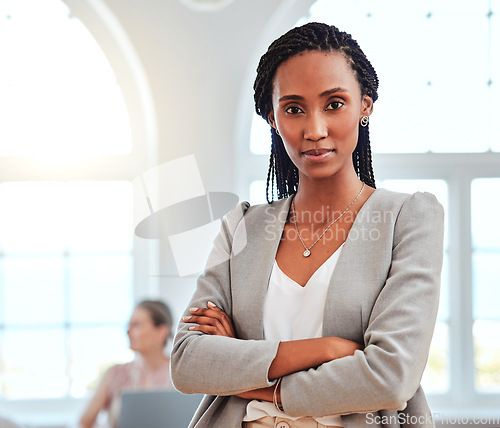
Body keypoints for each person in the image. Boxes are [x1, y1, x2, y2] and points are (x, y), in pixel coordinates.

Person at [171, 22, 444, 428]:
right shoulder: (242, 227)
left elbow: (390, 377)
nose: (315, 130)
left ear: (365, 106)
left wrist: (247, 375)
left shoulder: (409, 219)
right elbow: (188, 362)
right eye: (294, 109)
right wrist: (325, 349)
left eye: (334, 104)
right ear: (272, 118)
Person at [79, 300, 174, 428]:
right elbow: (83, 423)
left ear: (161, 331)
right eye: (128, 325)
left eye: (136, 325)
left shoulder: (181, 375)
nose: (128, 331)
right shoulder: (114, 374)